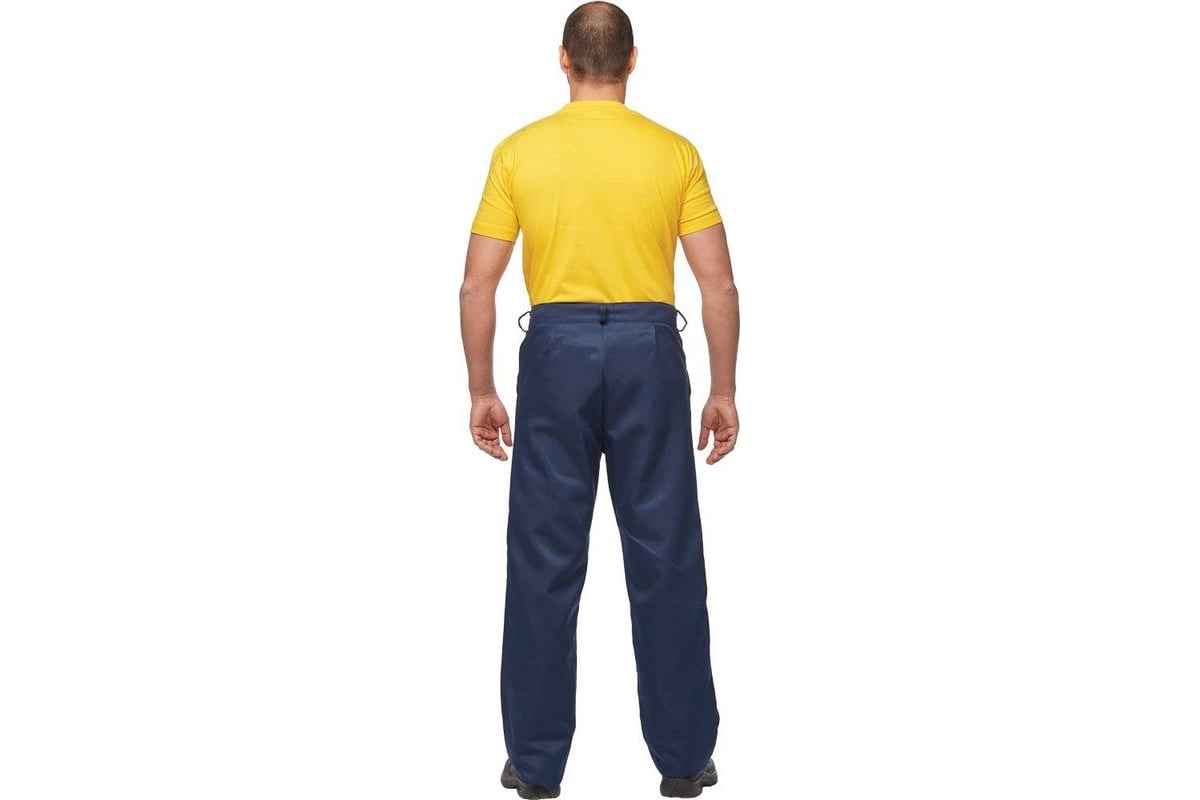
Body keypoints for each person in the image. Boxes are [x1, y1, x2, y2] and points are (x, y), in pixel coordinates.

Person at [459, 3, 739, 797]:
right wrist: (723, 388)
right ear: (633, 61)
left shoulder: (519, 152)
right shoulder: (673, 152)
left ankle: (537, 766)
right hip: (650, 351)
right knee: (666, 554)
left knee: (544, 558)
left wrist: (480, 387)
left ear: (563, 60)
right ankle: (683, 760)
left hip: (556, 355)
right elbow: (717, 283)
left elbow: (477, 285)